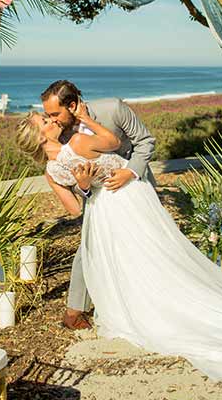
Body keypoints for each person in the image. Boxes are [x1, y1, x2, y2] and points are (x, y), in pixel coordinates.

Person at [16, 104, 222, 385]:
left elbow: (112, 144)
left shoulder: (78, 141)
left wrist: (86, 124)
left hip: (129, 198)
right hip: (103, 213)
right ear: (39, 135)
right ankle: (150, 304)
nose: (51, 119)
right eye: (45, 120)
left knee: (155, 255)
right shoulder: (51, 171)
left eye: (49, 115)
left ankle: (174, 299)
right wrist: (83, 186)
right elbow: (73, 207)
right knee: (131, 264)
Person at [40, 80, 156, 330]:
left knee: (147, 243)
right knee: (90, 245)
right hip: (99, 198)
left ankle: (148, 301)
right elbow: (73, 181)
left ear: (72, 106)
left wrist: (130, 173)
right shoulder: (63, 133)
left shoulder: (113, 109)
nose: (51, 120)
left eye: (54, 114)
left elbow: (145, 141)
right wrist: (82, 187)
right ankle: (75, 311)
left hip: (134, 185)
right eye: (47, 115)